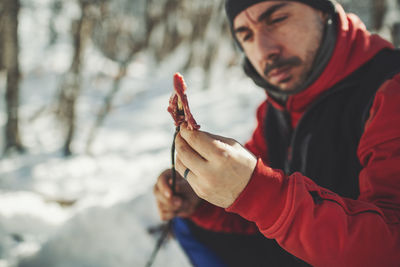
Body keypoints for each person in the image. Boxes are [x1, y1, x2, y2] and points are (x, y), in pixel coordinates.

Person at [153, 0, 400, 266]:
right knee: (191, 225)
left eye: (277, 19)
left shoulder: (389, 90)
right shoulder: (276, 109)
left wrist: (259, 192)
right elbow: (254, 211)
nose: (264, 50)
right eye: (246, 35)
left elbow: (391, 248)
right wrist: (202, 199)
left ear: (322, 10)